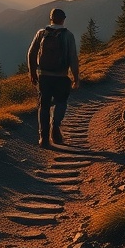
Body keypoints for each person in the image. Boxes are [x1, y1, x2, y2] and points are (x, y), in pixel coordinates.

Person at [27, 8, 80, 147]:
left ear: (50, 18)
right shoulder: (68, 35)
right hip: (61, 76)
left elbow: (31, 54)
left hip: (44, 76)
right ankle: (55, 128)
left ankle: (43, 138)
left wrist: (32, 73)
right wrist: (76, 78)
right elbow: (73, 58)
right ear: (63, 19)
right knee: (61, 103)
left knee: (43, 106)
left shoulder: (41, 33)